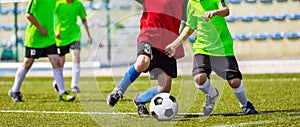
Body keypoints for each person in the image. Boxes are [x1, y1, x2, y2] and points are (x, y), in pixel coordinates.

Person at [165, 0, 258, 115]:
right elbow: (190, 27)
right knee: (199, 78)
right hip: (202, 48)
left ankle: (245, 105)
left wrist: (215, 12)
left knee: (234, 81)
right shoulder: (191, 3)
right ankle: (212, 94)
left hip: (223, 48)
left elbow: (226, 11)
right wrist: (174, 44)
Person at [106, 0, 188, 116]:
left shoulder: (183, 2)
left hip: (169, 45)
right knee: (142, 62)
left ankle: (139, 100)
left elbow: (192, 19)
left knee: (164, 88)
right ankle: (118, 91)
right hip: (149, 35)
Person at [8, 0, 75, 102]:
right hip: (35, 38)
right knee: (27, 63)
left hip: (49, 37)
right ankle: (14, 90)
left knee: (56, 61)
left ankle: (62, 93)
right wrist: (40, 28)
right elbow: (28, 14)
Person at [52, 0, 92, 93]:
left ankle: (74, 85)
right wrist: (55, 31)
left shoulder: (78, 5)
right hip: (61, 37)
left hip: (75, 35)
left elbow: (84, 20)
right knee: (61, 62)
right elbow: (51, 18)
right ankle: (57, 81)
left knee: (76, 55)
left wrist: (89, 35)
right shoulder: (58, 4)